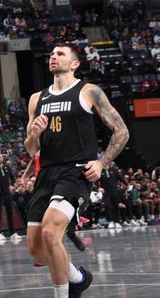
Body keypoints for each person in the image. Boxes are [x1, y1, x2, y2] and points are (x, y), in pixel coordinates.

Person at [25, 44, 130, 298]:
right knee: (38, 251)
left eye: (60, 54)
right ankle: (78, 278)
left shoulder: (88, 91)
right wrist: (34, 133)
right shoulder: (37, 99)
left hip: (76, 172)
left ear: (74, 64)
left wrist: (102, 162)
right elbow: (31, 149)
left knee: (51, 232)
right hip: (46, 173)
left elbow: (122, 131)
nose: (53, 56)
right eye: (51, 53)